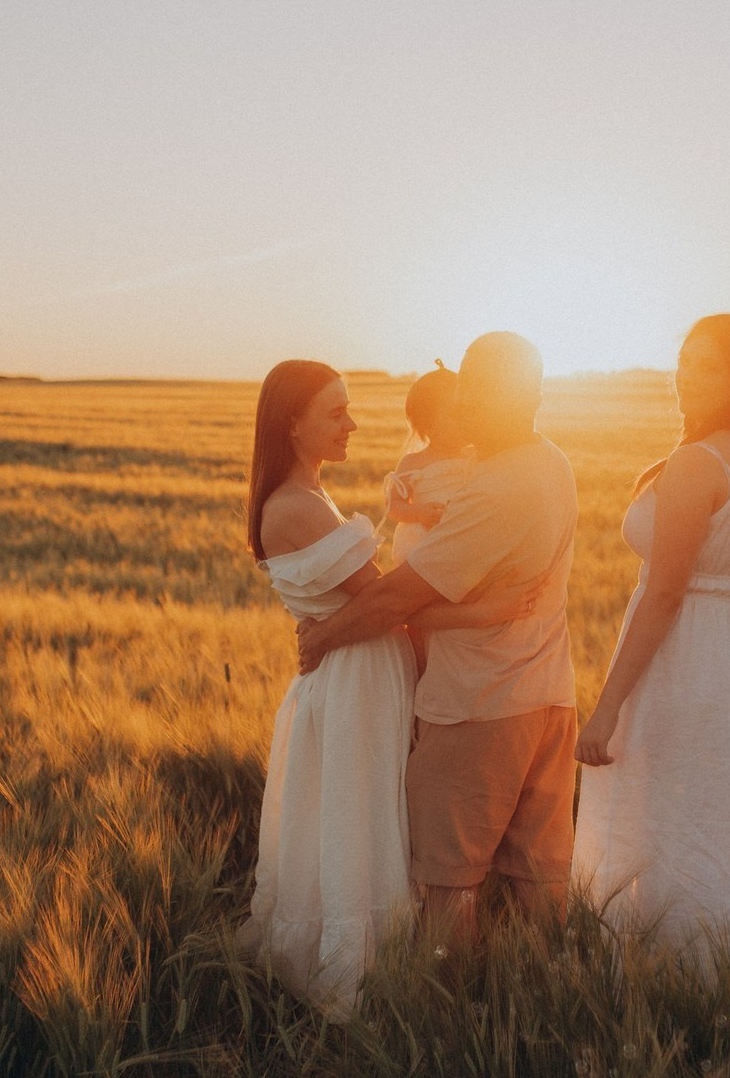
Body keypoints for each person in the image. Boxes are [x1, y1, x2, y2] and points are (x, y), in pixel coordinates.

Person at [238, 360, 531, 1012]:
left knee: (369, 812)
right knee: (358, 814)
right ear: (293, 423)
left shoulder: (313, 499)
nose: (354, 423)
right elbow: (390, 601)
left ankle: (374, 970)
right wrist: (483, 610)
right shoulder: (293, 507)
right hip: (351, 687)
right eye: (335, 412)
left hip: (363, 676)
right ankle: (352, 983)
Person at [571, 314, 730, 1034]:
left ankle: (672, 1009)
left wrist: (607, 705)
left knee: (670, 823)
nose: (684, 376)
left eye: (705, 367)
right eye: (682, 360)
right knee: (722, 828)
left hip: (687, 663)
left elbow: (667, 592)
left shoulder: (700, 463)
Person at [297, 332, 577, 943]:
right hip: (549, 696)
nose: (462, 398)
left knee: (448, 885)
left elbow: (403, 595)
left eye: (471, 386)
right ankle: (553, 1003)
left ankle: (447, 1022)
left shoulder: (497, 484)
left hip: (479, 705)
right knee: (539, 880)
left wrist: (322, 638)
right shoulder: (549, 459)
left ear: (491, 394)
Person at [383, 361, 471, 567]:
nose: (465, 420)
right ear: (427, 422)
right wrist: (419, 512)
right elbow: (392, 506)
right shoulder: (414, 462)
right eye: (455, 415)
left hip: (464, 541)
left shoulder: (475, 457)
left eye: (467, 412)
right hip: (424, 543)